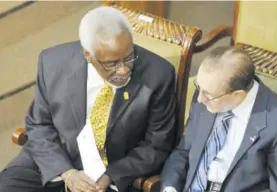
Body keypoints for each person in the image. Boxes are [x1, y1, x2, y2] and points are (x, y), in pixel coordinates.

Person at [0, 6, 177, 192]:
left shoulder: (159, 75)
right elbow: (38, 125)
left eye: (129, 57)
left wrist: (110, 175)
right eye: (111, 64)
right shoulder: (52, 63)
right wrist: (67, 173)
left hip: (110, 173)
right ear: (88, 55)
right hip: (54, 162)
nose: (124, 70)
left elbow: (157, 146)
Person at [161, 46, 277, 192]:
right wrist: (170, 187)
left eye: (208, 95)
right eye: (199, 88)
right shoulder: (206, 92)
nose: (200, 99)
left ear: (238, 95)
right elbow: (184, 151)